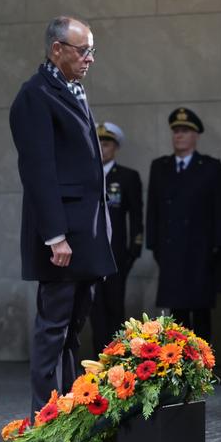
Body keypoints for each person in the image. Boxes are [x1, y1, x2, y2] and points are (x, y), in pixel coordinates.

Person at [11, 16, 116, 417]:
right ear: (57, 49)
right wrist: (54, 236)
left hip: (86, 233)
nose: (90, 58)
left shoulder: (73, 89)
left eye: (92, 49)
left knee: (73, 329)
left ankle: (69, 409)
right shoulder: (34, 95)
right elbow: (38, 172)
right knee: (53, 328)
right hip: (63, 236)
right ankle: (44, 416)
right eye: (83, 49)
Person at [146, 107, 221, 339]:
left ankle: (203, 367)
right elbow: (153, 209)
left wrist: (216, 248)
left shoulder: (210, 167)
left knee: (200, 312)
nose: (179, 135)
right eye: (176, 131)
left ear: (195, 135)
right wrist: (154, 245)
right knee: (176, 316)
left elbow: (218, 211)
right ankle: (180, 368)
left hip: (200, 251)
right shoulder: (160, 167)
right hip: (171, 250)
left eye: (185, 131)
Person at [88, 122, 143, 355]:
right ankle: (98, 359)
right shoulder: (86, 175)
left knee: (115, 307)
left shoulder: (127, 177)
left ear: (116, 147)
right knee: (94, 308)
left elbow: (136, 216)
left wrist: (133, 250)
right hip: (90, 256)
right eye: (98, 142)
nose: (102, 147)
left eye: (107, 143)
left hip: (116, 255)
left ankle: (117, 357)